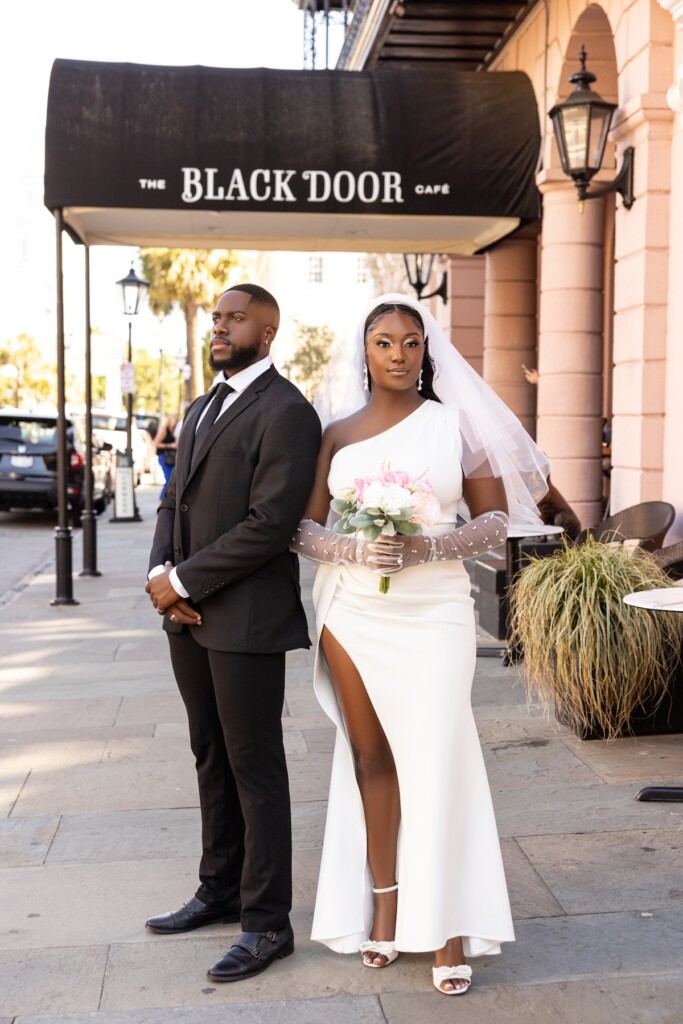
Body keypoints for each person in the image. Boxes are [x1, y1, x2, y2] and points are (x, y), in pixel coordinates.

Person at [293, 293, 550, 996]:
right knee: (370, 758)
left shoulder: (454, 426)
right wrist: (352, 545)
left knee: (434, 761)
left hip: (433, 609)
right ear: (365, 352)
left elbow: (495, 520)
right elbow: (304, 529)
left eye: (411, 342)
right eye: (384, 342)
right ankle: (386, 905)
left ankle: (446, 929)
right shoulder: (337, 433)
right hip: (352, 610)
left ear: (426, 352)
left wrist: (424, 546)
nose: (399, 355)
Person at [144, 284, 321, 983]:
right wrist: (163, 573)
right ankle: (218, 890)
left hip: (245, 618)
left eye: (234, 317)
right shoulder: (199, 404)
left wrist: (183, 581)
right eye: (216, 317)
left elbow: (270, 523)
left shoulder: (286, 412)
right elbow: (171, 497)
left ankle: (266, 921)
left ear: (268, 330)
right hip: (187, 616)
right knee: (208, 755)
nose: (219, 326)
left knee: (255, 766)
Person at [153, 412, 180, 499]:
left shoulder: (177, 430)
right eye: (173, 419)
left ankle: (166, 500)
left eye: (176, 419)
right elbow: (156, 443)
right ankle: (162, 499)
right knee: (168, 480)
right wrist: (170, 445)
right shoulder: (164, 430)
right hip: (164, 456)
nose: (175, 421)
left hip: (173, 458)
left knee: (173, 480)